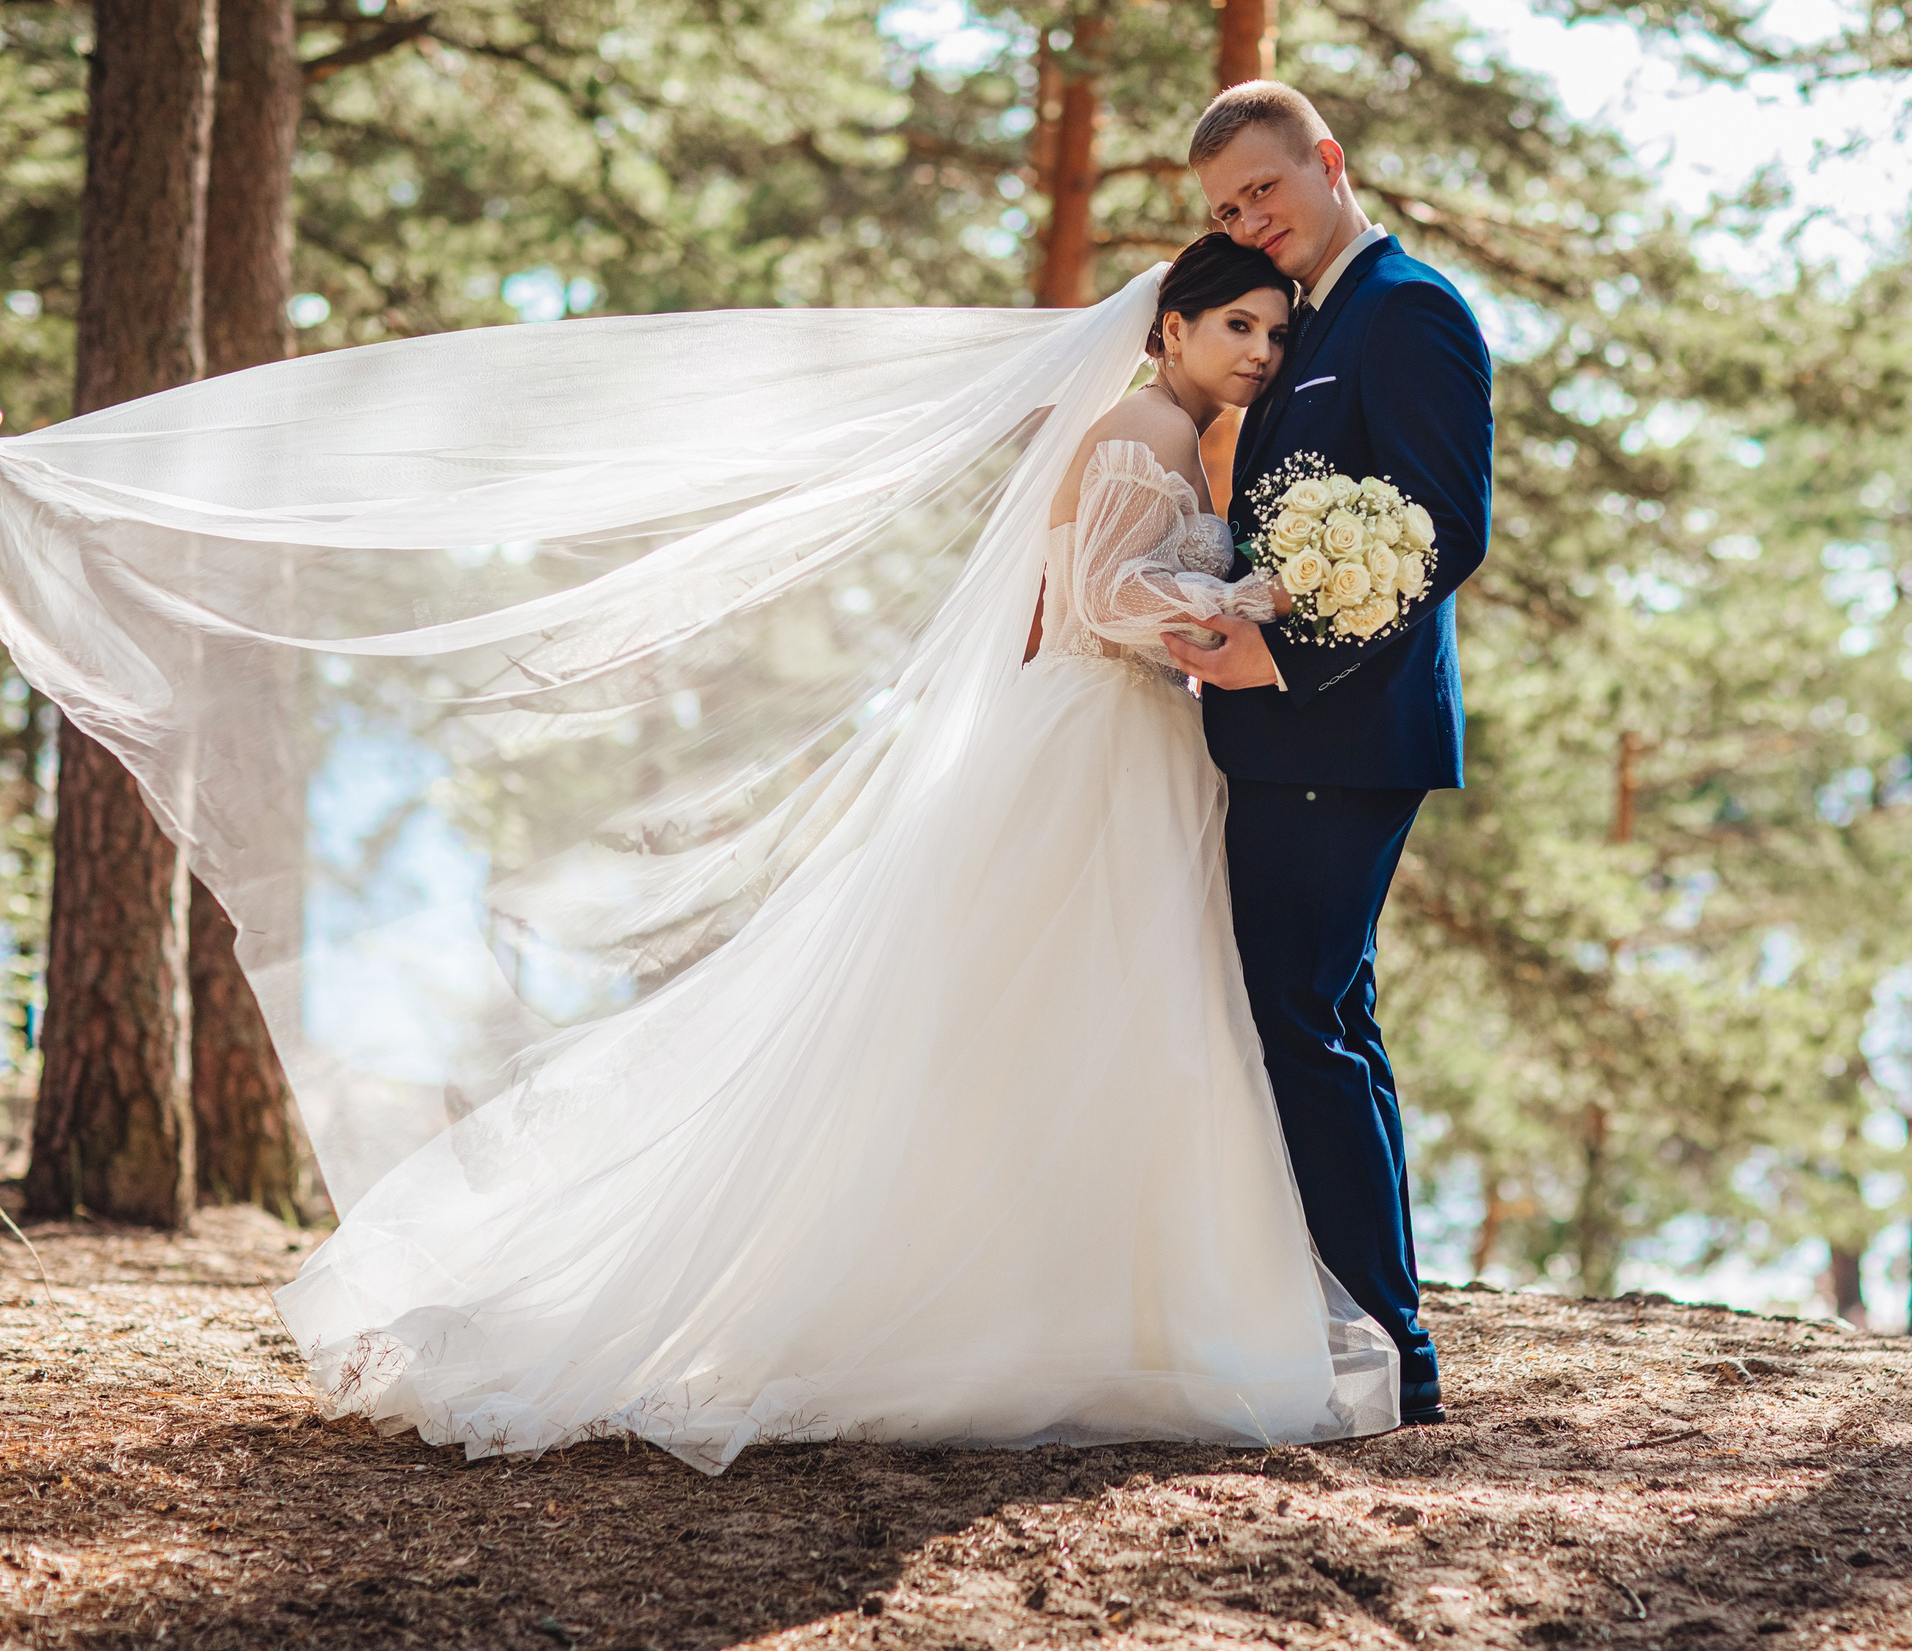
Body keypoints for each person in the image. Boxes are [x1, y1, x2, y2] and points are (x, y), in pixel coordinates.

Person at [0, 234, 1405, 1473]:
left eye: (1277, 334)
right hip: (1099, 740)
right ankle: (1045, 1313)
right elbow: (1100, 595)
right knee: (1077, 1008)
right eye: (1239, 326)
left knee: (1106, 1017)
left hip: (1127, 740)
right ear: (1171, 327)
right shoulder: (1137, 431)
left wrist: (1237, 595)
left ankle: (1097, 1306)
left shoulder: (1172, 433)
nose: (1261, 352)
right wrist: (1255, 593)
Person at [1165, 82, 1497, 1427]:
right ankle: (1372, 1333)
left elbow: (1442, 527)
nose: (1250, 222)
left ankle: (1382, 1346)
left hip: (1342, 729)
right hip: (1285, 726)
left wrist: (1287, 656)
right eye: (1226, 211)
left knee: (1298, 1019)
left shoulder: (1408, 310)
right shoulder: (1307, 318)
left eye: (1263, 190)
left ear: (1328, 160)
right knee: (1327, 1020)